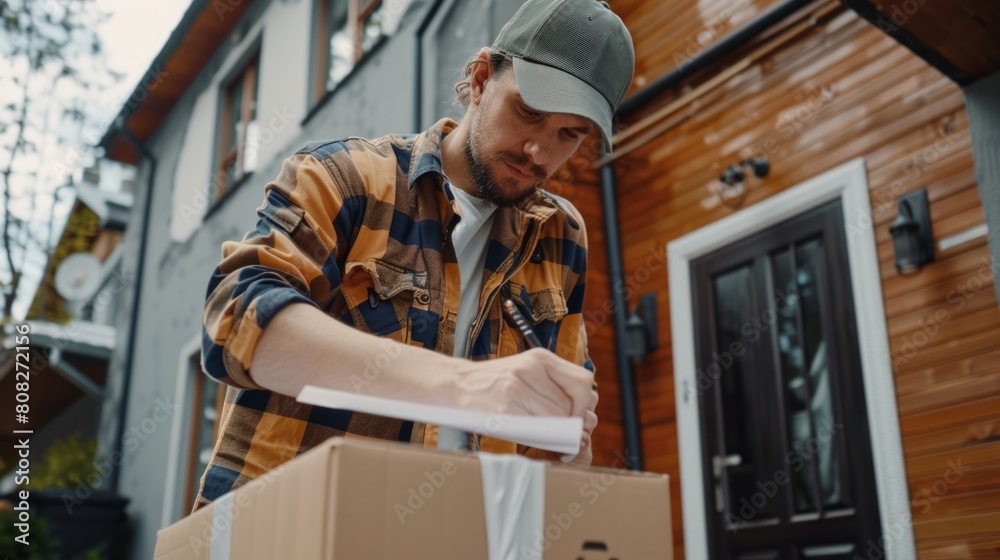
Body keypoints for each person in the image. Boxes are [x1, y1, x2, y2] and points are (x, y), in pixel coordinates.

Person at [194, 0, 634, 509]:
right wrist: (465, 385)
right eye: (530, 113)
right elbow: (235, 322)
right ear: (482, 77)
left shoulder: (562, 235)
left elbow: (552, 441)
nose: (539, 151)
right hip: (289, 526)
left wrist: (568, 440)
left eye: (569, 134)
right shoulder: (345, 175)